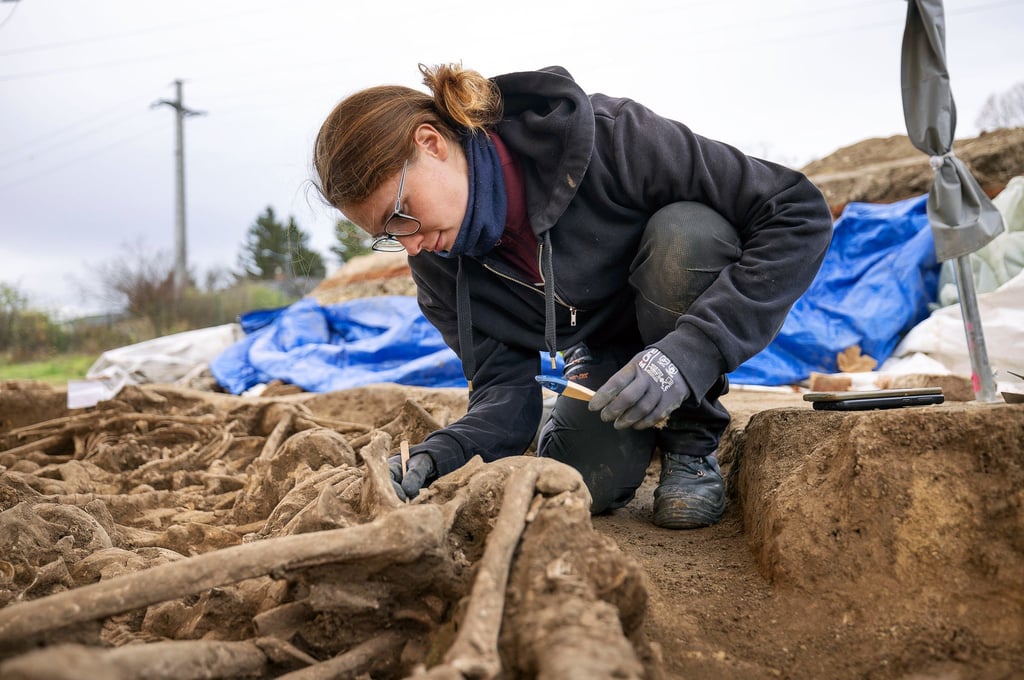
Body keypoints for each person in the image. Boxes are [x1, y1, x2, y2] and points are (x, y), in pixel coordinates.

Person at [312, 64, 832, 529]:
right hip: (605, 356)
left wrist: (689, 354)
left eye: (401, 213)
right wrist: (439, 456)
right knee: (588, 485)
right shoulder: (436, 262)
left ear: (431, 143)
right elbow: (502, 390)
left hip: (679, 319)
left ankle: (691, 444)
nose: (409, 242)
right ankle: (578, 414)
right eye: (387, 233)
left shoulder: (611, 139)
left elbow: (795, 210)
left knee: (687, 234)